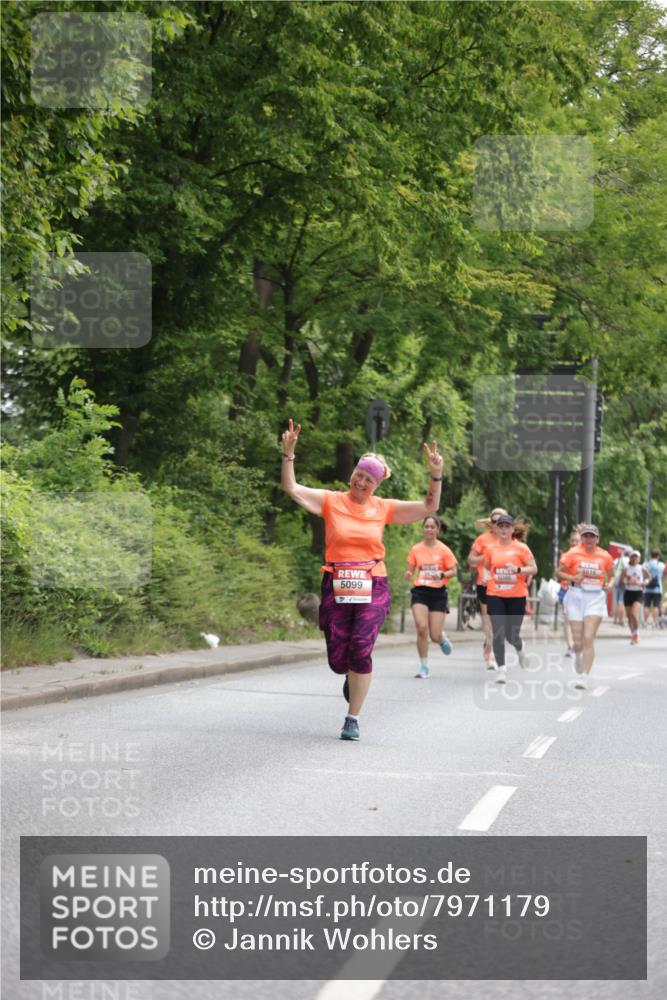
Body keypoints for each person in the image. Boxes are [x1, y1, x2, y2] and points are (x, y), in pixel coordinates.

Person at [280, 418, 444, 741]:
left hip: (373, 583)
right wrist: (288, 454)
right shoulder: (331, 501)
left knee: (360, 648)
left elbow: (429, 506)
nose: (361, 482)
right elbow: (292, 489)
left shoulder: (383, 508)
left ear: (377, 485)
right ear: (352, 474)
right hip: (336, 582)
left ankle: (352, 718)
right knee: (339, 659)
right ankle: (351, 677)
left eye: (369, 480)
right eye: (359, 475)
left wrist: (435, 473)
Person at [482, 514, 537, 685]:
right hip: (495, 594)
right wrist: (485, 576)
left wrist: (518, 570)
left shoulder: (521, 548)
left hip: (516, 596)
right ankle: (501, 670)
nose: (504, 529)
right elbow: (485, 567)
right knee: (498, 632)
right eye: (501, 526)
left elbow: (533, 568)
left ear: (513, 529)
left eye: (507, 526)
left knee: (511, 635)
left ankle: (520, 649)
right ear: (496, 529)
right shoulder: (491, 548)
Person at [557, 524, 614, 688]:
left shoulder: (605, 556)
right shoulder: (572, 553)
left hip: (595, 598)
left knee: (588, 637)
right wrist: (573, 578)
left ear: (598, 538)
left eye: (592, 536)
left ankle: (584, 677)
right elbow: (558, 572)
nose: (589, 539)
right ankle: (577, 655)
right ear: (582, 538)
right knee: (578, 642)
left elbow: (611, 577)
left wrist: (610, 584)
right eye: (586, 536)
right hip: (575, 596)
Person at [404, 515, 458, 678]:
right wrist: (408, 574)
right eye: (426, 526)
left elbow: (454, 571)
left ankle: (441, 639)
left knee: (434, 635)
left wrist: (442, 574)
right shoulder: (416, 549)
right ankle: (424, 666)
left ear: (437, 530)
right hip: (420, 591)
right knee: (421, 627)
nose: (429, 529)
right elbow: (410, 570)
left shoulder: (444, 550)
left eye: (432, 527)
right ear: (423, 529)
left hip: (438, 594)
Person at [468, 508, 509, 670]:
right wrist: (483, 557)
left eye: (500, 522)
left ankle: (489, 642)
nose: (497, 525)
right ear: (490, 523)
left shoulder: (511, 540)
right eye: (494, 521)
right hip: (485, 583)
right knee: (488, 620)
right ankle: (491, 653)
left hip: (505, 585)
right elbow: (471, 560)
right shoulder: (482, 540)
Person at [558, 530, 581, 657]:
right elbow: (559, 574)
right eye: (572, 541)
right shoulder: (564, 556)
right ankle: (569, 646)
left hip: (581, 592)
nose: (574, 543)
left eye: (577, 541)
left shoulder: (586, 557)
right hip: (566, 590)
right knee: (567, 620)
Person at [620, 551, 651, 644]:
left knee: (634, 613)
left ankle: (636, 633)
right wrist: (627, 581)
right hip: (628, 592)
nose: (634, 559)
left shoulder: (642, 568)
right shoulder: (626, 569)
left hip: (638, 593)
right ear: (630, 558)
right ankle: (634, 635)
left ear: (639, 559)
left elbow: (649, 578)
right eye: (632, 557)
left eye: (636, 557)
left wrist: (643, 583)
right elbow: (622, 580)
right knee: (629, 617)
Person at [643, 549, 666, 628]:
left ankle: (645, 622)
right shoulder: (661, 565)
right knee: (656, 606)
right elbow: (664, 575)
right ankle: (654, 623)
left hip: (647, 588)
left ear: (651, 555)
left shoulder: (646, 564)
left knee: (646, 605)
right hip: (657, 589)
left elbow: (643, 575)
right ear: (658, 556)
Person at [612, 548, 631, 626]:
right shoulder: (627, 560)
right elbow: (628, 571)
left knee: (617, 601)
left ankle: (615, 620)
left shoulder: (618, 559)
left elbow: (612, 568)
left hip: (616, 581)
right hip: (623, 582)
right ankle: (621, 620)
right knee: (621, 601)